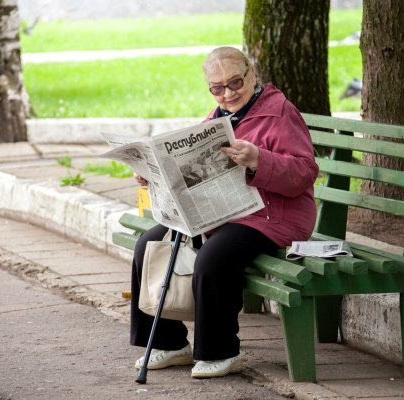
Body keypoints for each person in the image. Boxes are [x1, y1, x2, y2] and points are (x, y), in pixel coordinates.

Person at [130, 46, 319, 379]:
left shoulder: (280, 111)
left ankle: (221, 352)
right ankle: (169, 343)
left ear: (252, 74)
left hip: (273, 214)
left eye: (235, 82)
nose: (228, 93)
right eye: (217, 88)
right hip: (224, 213)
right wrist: (153, 174)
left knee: (214, 257)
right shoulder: (216, 119)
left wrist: (258, 159)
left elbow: (305, 172)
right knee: (149, 244)